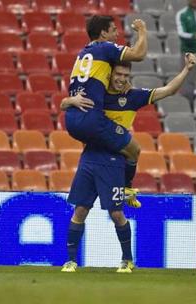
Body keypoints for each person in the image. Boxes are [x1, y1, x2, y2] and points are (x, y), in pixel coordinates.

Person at [59, 54, 196, 273]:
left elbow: (169, 90)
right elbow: (63, 104)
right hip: (90, 156)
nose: (122, 79)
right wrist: (72, 100)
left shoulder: (132, 97)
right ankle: (70, 260)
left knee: (116, 213)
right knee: (80, 210)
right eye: (118, 74)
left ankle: (127, 259)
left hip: (114, 159)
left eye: (126, 75)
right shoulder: (97, 93)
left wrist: (187, 69)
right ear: (110, 74)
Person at [65, 15, 148, 209]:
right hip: (91, 119)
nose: (117, 33)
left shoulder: (83, 54)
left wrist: (67, 101)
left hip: (71, 118)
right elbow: (139, 54)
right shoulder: (105, 48)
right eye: (113, 30)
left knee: (80, 210)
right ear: (103, 33)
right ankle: (125, 188)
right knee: (134, 149)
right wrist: (142, 30)